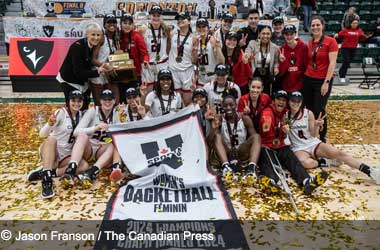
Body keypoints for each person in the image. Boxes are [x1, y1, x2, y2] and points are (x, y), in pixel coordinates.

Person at [286, 91, 380, 185]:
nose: (295, 103)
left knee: (339, 153)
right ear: (289, 102)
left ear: (301, 102)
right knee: (304, 163)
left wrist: (316, 125)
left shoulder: (308, 113)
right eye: (293, 101)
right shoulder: (285, 115)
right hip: (298, 147)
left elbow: (314, 135)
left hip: (312, 143)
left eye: (298, 101)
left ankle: (370, 171)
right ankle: (324, 162)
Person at [258, 90, 329, 195]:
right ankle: (271, 182)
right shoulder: (268, 111)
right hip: (267, 145)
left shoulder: (286, 113)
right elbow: (266, 120)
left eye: (283, 100)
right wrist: (267, 125)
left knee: (293, 159)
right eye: (278, 99)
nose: (281, 102)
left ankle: (306, 181)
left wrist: (315, 125)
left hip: (281, 145)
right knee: (268, 161)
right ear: (273, 101)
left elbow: (289, 126)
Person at [27, 90, 88, 198]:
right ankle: (47, 181)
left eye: (79, 101)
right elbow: (42, 134)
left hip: (65, 155)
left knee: (84, 165)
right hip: (52, 150)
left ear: (83, 102)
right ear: (68, 101)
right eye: (73, 100)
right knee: (51, 139)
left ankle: (48, 172)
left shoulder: (82, 116)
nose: (76, 103)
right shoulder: (61, 113)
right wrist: (49, 124)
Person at [60, 89, 122, 188]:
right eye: (104, 99)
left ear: (114, 101)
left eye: (110, 99)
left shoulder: (116, 114)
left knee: (113, 144)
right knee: (82, 136)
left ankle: (92, 172)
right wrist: (95, 128)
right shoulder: (93, 111)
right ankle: (71, 170)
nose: (107, 102)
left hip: (101, 151)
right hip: (87, 149)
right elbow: (76, 132)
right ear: (100, 101)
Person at [57, 23, 109, 110]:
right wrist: (97, 71)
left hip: (83, 81)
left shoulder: (94, 46)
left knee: (84, 106)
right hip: (69, 80)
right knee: (74, 107)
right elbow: (78, 72)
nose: (96, 38)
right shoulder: (77, 47)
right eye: (93, 34)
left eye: (98, 35)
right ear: (87, 35)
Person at [303, 16, 338, 143]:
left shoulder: (330, 41)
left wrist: (326, 82)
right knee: (308, 108)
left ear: (322, 26)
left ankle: (322, 138)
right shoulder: (310, 42)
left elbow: (332, 63)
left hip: (322, 80)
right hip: (308, 79)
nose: (315, 27)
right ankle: (310, 134)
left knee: (319, 109)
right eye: (313, 25)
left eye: (318, 25)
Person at [213, 93, 261, 181]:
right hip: (227, 152)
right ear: (222, 107)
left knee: (257, 137)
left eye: (231, 105)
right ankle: (226, 167)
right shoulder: (220, 118)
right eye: (225, 105)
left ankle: (251, 168)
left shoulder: (244, 118)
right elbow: (212, 140)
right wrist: (215, 128)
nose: (228, 108)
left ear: (236, 105)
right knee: (217, 136)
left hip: (241, 150)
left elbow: (254, 139)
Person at [90, 14, 121, 105]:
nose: (112, 24)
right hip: (98, 73)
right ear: (104, 25)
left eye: (114, 22)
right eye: (109, 22)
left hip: (110, 73)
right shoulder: (101, 37)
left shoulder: (116, 38)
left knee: (115, 101)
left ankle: (114, 119)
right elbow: (93, 60)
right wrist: (105, 66)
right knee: (100, 104)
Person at [168, 12, 197, 106]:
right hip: (173, 70)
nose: (180, 20)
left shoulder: (193, 38)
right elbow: (167, 50)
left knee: (187, 101)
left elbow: (194, 60)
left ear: (189, 21)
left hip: (187, 71)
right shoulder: (172, 34)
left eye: (182, 18)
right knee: (175, 101)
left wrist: (195, 54)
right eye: (178, 19)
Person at [119, 13, 149, 101]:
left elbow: (145, 53)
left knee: (135, 100)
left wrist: (146, 61)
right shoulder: (117, 35)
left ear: (133, 25)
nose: (127, 26)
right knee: (122, 100)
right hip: (121, 75)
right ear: (120, 24)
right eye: (125, 23)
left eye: (129, 23)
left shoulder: (137, 36)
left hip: (135, 75)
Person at [140, 6, 171, 92]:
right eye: (154, 15)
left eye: (158, 15)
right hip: (148, 65)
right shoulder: (143, 30)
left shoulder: (167, 30)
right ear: (150, 16)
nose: (156, 17)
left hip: (162, 64)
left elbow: (169, 48)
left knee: (162, 91)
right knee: (147, 91)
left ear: (162, 17)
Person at [247, 25, 280, 96]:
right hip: (254, 75)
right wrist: (248, 57)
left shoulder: (275, 47)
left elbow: (276, 62)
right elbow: (247, 56)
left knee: (265, 98)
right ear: (259, 34)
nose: (265, 36)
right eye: (263, 33)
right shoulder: (252, 44)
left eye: (268, 34)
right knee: (254, 95)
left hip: (267, 78)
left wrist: (276, 67)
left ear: (271, 35)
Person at [334, 18, 368, 83]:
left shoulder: (359, 30)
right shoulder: (345, 30)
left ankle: (340, 72)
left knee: (348, 62)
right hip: (345, 48)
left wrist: (367, 36)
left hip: (353, 48)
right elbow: (338, 36)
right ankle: (342, 76)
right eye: (354, 23)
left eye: (356, 23)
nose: (355, 24)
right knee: (346, 62)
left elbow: (364, 37)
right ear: (351, 24)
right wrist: (336, 35)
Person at [278, 24, 308, 92]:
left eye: (291, 34)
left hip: (301, 85)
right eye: (286, 34)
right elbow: (281, 72)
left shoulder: (303, 47)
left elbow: (306, 66)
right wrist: (282, 62)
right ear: (283, 35)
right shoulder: (281, 49)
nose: (289, 36)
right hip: (286, 85)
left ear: (295, 34)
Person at [195, 18, 225, 87]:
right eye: (199, 27)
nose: (201, 29)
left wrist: (217, 47)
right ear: (196, 29)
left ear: (208, 28)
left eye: (204, 27)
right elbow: (195, 62)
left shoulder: (213, 40)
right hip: (201, 78)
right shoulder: (196, 41)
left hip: (212, 78)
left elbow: (222, 62)